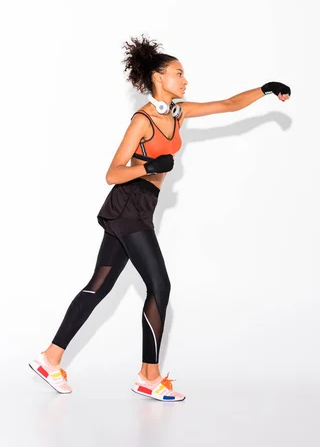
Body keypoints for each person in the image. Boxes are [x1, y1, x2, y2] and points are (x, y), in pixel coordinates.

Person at [29, 35, 291, 401]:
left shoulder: (178, 112)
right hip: (127, 205)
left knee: (99, 286)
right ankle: (148, 376)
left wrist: (264, 89)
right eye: (178, 73)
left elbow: (227, 105)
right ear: (158, 77)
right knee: (160, 285)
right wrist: (149, 165)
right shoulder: (142, 120)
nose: (185, 80)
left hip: (139, 208)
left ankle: (50, 358)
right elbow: (113, 173)